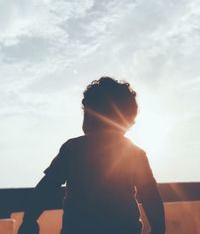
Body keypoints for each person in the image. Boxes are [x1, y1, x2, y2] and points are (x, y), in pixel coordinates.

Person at [18, 77, 165, 234]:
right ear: (128, 122)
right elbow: (151, 195)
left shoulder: (72, 149)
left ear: (89, 115)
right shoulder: (135, 154)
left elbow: (47, 187)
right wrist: (158, 228)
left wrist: (29, 220)